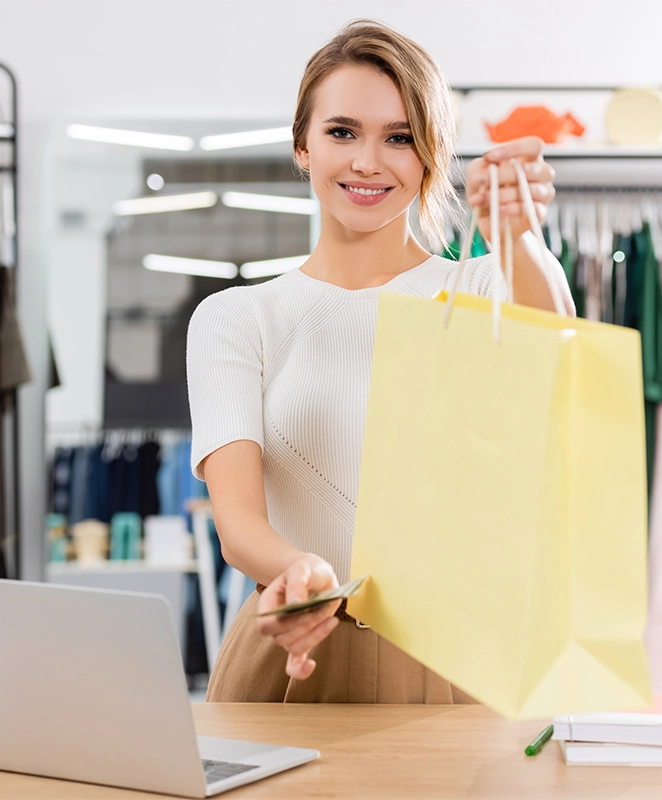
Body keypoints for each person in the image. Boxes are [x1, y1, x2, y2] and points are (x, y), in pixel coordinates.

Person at [187, 19, 574, 703]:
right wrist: (301, 571)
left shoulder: (482, 286)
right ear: (302, 146)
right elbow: (239, 524)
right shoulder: (237, 318)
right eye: (342, 132)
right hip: (292, 642)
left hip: (454, 658)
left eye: (399, 138)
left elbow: (559, 360)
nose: (368, 161)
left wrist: (520, 236)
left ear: (431, 156)